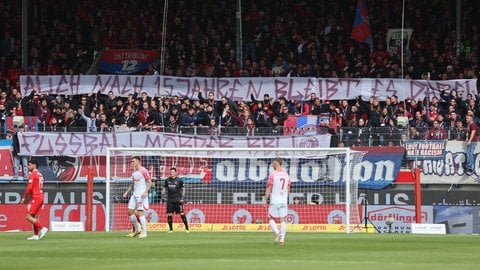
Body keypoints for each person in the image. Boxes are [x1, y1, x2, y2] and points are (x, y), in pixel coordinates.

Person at [263, 157, 291, 246]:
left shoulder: (273, 174)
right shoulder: (286, 175)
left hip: (275, 200)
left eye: (272, 163)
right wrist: (285, 197)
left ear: (276, 163)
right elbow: (288, 187)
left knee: (270, 218)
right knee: (282, 220)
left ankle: (277, 232)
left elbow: (269, 187)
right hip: (283, 200)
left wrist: (265, 199)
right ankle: (282, 240)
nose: (272, 165)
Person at [122, 156, 152, 238]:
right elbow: (132, 184)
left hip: (141, 195)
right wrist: (127, 192)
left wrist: (145, 192)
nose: (132, 163)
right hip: (134, 194)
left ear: (138, 161)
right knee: (130, 211)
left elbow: (150, 182)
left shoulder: (144, 170)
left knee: (140, 212)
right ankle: (136, 230)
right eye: (131, 161)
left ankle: (145, 232)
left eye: (133, 161)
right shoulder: (134, 172)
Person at [20, 159, 48, 240]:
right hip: (41, 196)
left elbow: (29, 187)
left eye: (29, 165)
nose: (28, 166)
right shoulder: (40, 174)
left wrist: (24, 197)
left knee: (28, 216)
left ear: (34, 165)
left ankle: (42, 228)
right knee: (34, 216)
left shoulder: (33, 174)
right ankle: (36, 235)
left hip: (36, 197)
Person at [162, 167, 190, 233]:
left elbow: (183, 189)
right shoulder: (167, 180)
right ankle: (171, 229)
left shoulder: (179, 180)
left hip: (178, 200)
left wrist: (182, 198)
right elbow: (164, 188)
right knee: (169, 214)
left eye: (173, 172)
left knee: (182, 213)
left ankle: (187, 228)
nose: (171, 173)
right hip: (170, 200)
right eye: (171, 172)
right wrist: (163, 195)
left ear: (175, 173)